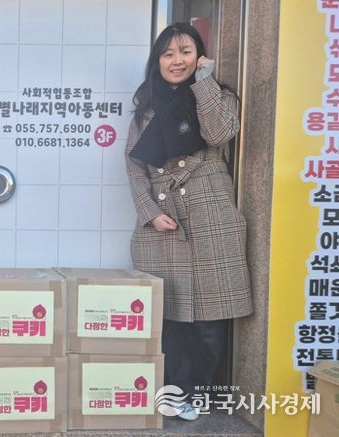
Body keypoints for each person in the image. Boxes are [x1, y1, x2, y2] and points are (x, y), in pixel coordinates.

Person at [125, 23, 253, 420]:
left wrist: (204, 82)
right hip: (164, 218)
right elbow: (134, 166)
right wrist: (150, 212)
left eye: (185, 52)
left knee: (212, 316)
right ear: (157, 61)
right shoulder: (146, 108)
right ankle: (173, 392)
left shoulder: (217, 95)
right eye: (168, 54)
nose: (176, 61)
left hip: (210, 212)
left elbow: (220, 133)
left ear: (199, 56)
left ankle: (195, 392)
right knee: (171, 316)